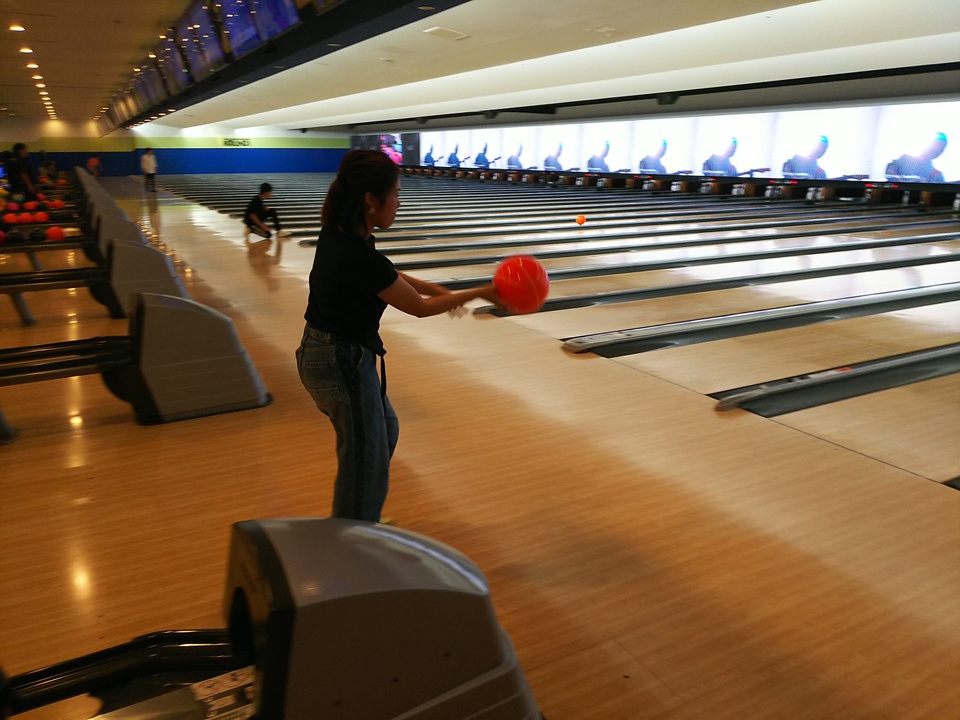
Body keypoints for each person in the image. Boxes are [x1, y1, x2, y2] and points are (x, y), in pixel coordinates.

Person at [296, 150, 504, 523]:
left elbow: (385, 275)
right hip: (339, 361)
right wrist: (481, 291)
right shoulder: (356, 253)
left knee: (382, 434)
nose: (399, 202)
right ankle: (353, 536)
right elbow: (418, 308)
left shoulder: (343, 233)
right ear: (371, 200)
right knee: (365, 460)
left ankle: (359, 521)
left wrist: (434, 287)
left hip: (327, 352)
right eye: (395, 193)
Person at [243, 182, 291, 253]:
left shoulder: (259, 199)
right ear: (266, 192)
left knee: (272, 211)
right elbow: (252, 216)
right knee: (268, 235)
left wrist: (267, 209)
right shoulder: (256, 200)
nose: (271, 194)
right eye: (270, 192)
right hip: (251, 221)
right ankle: (250, 229)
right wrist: (262, 226)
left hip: (253, 219)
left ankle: (279, 231)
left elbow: (260, 209)